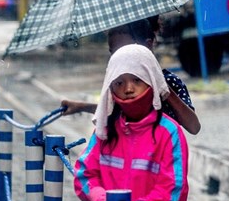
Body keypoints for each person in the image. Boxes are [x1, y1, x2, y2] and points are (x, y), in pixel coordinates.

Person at [73, 44, 189, 201]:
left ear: (152, 80)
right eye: (119, 82)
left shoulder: (170, 133)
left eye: (136, 79)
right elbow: (85, 174)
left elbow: (173, 188)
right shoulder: (105, 130)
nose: (128, 88)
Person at [61, 17, 201, 136]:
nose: (120, 58)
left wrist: (163, 88)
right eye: (114, 53)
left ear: (148, 45)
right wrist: (80, 106)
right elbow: (113, 110)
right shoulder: (120, 83)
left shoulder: (170, 81)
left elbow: (194, 127)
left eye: (126, 51)